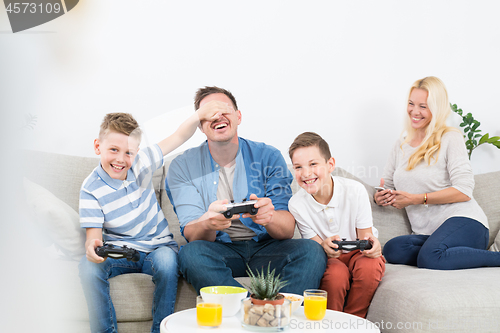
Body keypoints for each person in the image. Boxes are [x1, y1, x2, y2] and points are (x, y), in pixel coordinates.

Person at [79, 105, 230, 333]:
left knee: (168, 263)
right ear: (97, 146)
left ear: (137, 152)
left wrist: (200, 114)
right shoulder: (90, 189)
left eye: (129, 152)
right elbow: (93, 237)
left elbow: (179, 135)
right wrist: (92, 247)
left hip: (158, 247)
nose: (121, 159)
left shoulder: (142, 163)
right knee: (88, 268)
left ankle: (161, 330)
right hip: (120, 252)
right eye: (113, 150)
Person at [165, 86, 327, 295]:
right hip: (220, 250)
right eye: (208, 114)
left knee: (312, 251)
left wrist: (269, 217)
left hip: (267, 249)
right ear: (200, 127)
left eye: (224, 110)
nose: (217, 116)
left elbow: (286, 230)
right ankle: (252, 311)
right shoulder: (182, 166)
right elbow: (192, 234)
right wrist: (209, 221)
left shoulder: (269, 156)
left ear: (238, 116)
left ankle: (280, 313)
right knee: (190, 254)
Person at [375, 76, 500, 270]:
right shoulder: (401, 145)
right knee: (393, 249)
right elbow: (388, 184)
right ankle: (440, 253)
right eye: (411, 104)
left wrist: (416, 199)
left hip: (465, 223)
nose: (414, 111)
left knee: (430, 258)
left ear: (437, 108)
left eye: (423, 106)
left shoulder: (450, 138)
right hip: (431, 235)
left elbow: (464, 190)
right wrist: (381, 196)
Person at [288, 132, 385, 318]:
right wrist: (325, 246)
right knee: (335, 275)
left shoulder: (355, 190)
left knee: (370, 266)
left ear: (330, 164)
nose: (306, 173)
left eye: (313, 164)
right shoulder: (296, 204)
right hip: (330, 258)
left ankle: (354, 321)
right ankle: (331, 323)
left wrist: (374, 246)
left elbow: (366, 238)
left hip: (359, 252)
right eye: (298, 167)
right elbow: (316, 248)